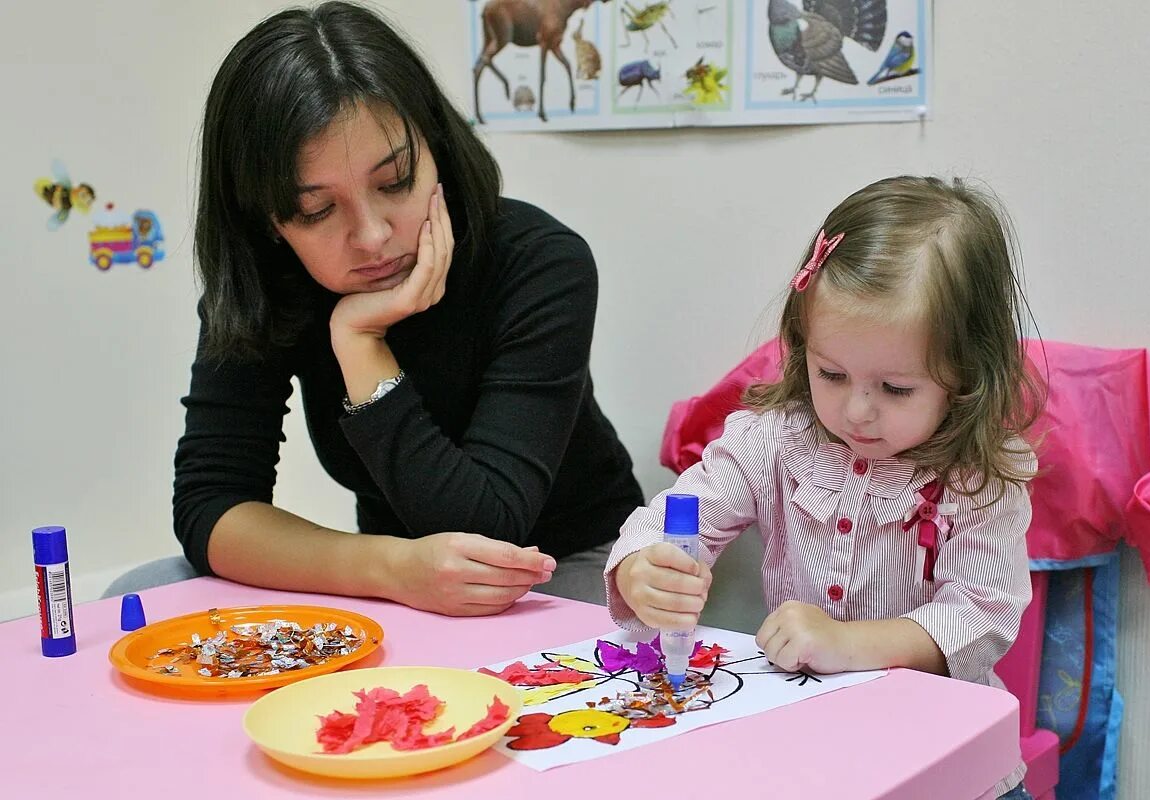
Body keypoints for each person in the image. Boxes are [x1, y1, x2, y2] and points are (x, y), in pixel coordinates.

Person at [105, 1, 642, 615]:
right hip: (395, 571)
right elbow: (211, 505)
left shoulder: (538, 261)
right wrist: (390, 568)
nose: (372, 236)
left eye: (395, 182)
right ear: (267, 219)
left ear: (436, 148)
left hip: (559, 565)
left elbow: (487, 528)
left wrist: (361, 343)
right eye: (316, 210)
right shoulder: (268, 283)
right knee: (138, 591)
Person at [605, 176, 1044, 799]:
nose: (857, 410)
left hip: (953, 768)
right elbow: (674, 517)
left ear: (966, 373)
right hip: (811, 755)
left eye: (896, 389)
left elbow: (980, 615)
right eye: (831, 373)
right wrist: (640, 569)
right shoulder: (772, 441)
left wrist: (847, 643)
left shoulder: (979, 477)